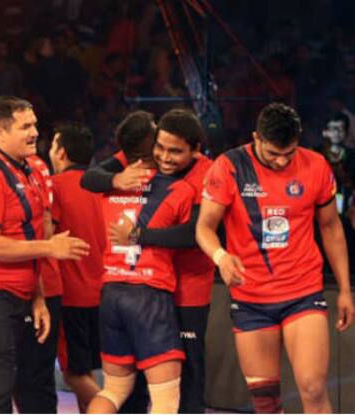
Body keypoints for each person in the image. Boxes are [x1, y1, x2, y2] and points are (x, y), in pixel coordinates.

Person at [196, 103, 355, 413]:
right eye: (273, 154)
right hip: (250, 299)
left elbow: (331, 227)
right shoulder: (229, 167)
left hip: (303, 293)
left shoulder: (316, 165)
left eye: (289, 153)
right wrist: (221, 256)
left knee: (313, 388)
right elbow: (204, 227)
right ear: (256, 137)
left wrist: (345, 290)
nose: (281, 161)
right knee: (265, 402)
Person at [0, 96, 90, 413]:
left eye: (35, 125)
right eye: (25, 127)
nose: (34, 133)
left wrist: (37, 297)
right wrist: (50, 247)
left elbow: (26, 236)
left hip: (16, 293)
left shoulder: (24, 170)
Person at [85, 109, 215, 413]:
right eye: (159, 147)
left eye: (174, 150)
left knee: (114, 389)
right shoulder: (178, 190)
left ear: (195, 150)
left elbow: (90, 179)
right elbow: (197, 233)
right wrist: (139, 235)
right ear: (149, 146)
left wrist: (117, 183)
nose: (165, 156)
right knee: (167, 400)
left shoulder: (113, 187)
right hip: (151, 295)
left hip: (113, 292)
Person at [47, 123, 106, 412]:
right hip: (104, 293)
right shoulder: (103, 186)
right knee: (88, 370)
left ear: (61, 152)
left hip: (71, 295)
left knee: (74, 374)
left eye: (52, 145)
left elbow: (47, 237)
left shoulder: (55, 186)